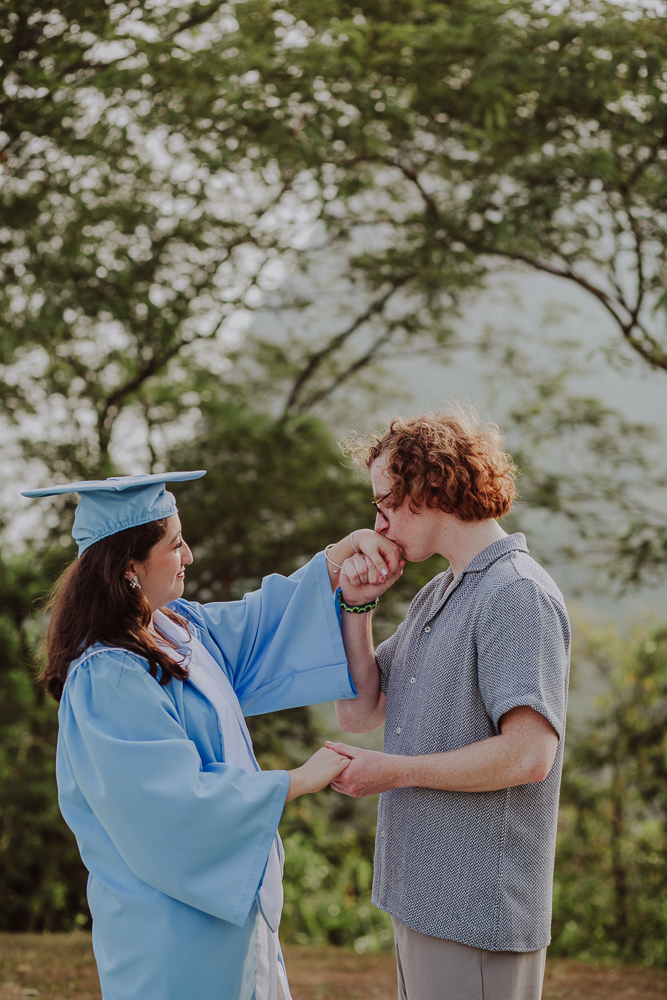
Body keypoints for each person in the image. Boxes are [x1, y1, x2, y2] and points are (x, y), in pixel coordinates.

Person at [23, 470, 402, 1000]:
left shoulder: (176, 630)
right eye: (175, 544)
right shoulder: (108, 675)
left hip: (230, 916)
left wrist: (344, 556)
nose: (190, 555)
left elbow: (261, 622)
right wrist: (292, 781)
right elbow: (167, 805)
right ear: (129, 568)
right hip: (172, 932)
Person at [325, 408, 570, 1000]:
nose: (377, 522)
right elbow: (359, 712)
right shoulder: (440, 592)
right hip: (421, 898)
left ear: (429, 488)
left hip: (478, 911)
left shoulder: (516, 594)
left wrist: (396, 773)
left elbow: (530, 756)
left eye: (385, 501)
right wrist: (355, 607)